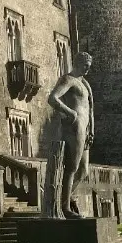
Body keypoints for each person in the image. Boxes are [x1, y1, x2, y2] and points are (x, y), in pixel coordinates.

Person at [47, 52, 95, 219]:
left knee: (84, 170)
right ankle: (65, 207)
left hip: (85, 128)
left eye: (89, 66)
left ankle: (65, 199)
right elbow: (52, 98)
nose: (88, 69)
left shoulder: (85, 84)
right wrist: (71, 114)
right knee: (72, 168)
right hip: (74, 127)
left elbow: (90, 108)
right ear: (77, 63)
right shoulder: (67, 80)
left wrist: (92, 128)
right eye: (85, 66)